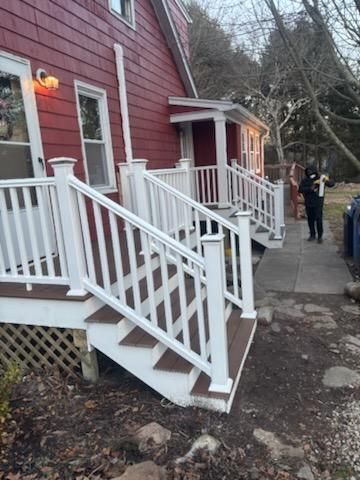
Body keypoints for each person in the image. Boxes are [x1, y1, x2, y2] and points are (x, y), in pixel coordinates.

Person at [298, 167, 334, 243]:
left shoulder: (321, 179)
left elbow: (331, 184)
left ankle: (320, 236)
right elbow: (300, 189)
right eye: (308, 172)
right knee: (310, 219)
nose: (310, 173)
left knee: (318, 219)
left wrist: (326, 180)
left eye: (311, 172)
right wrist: (310, 188)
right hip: (309, 202)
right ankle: (312, 235)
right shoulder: (305, 180)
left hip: (318, 202)